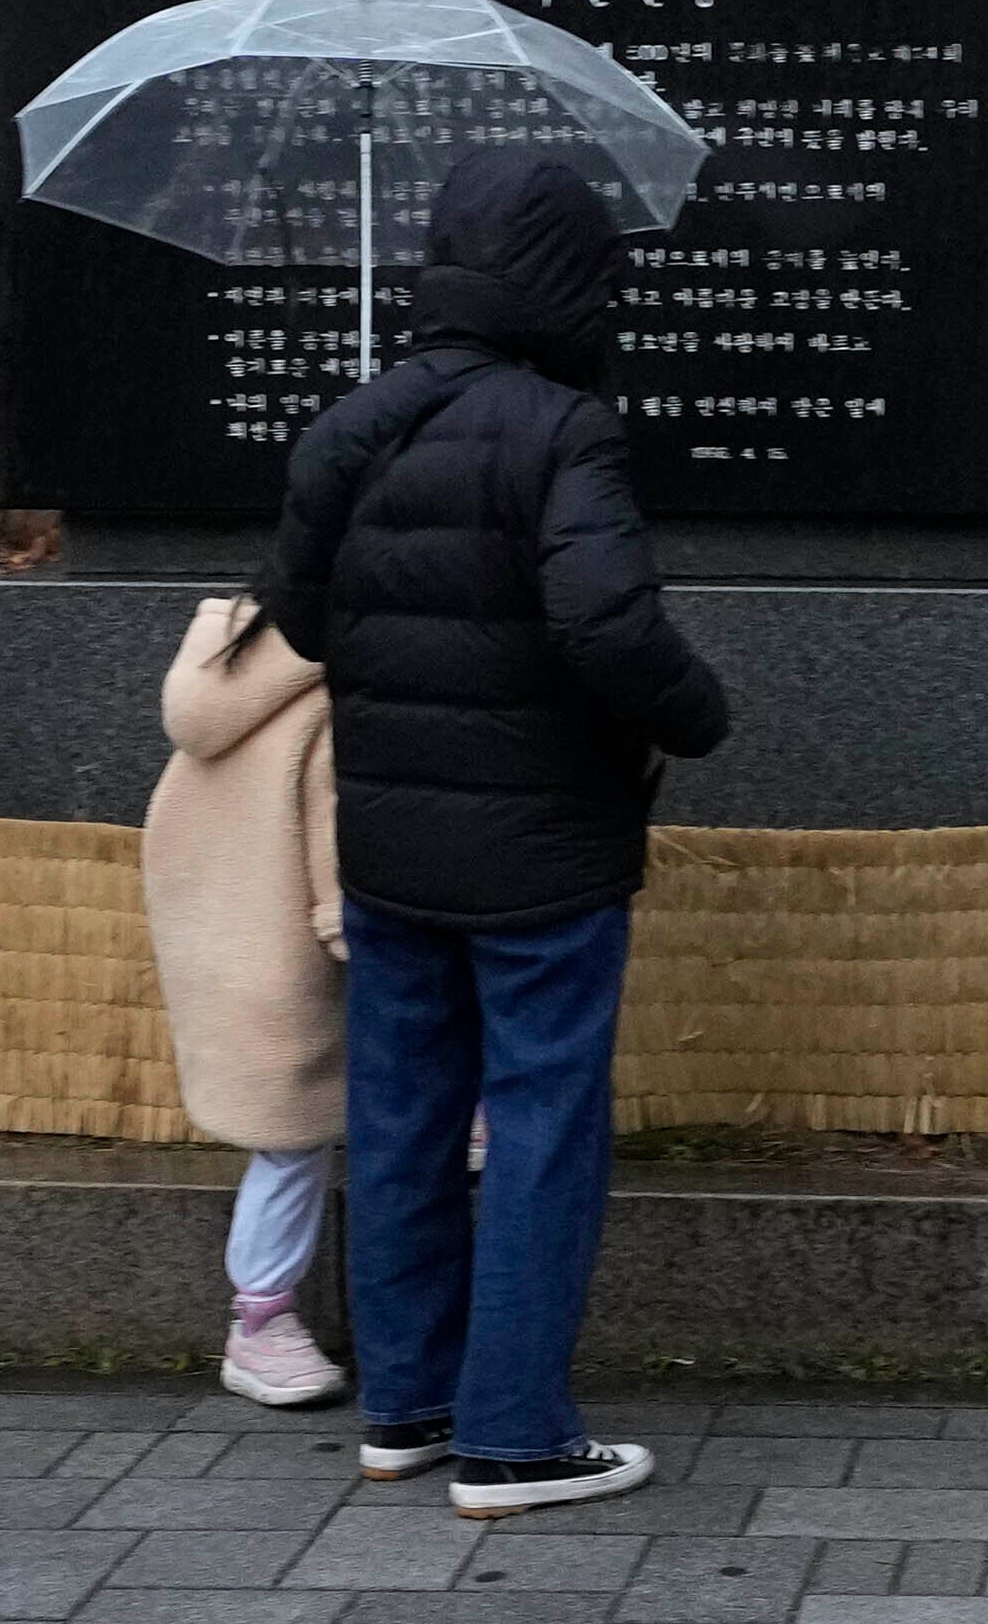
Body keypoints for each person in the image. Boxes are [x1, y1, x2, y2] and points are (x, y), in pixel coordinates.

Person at [266, 152, 732, 1517]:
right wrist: (695, 711)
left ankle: (405, 1405)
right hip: (542, 849)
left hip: (392, 837)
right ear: (565, 283)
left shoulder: (352, 424)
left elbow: (297, 619)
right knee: (536, 1123)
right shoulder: (560, 428)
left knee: (401, 1113)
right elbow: (604, 625)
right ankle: (515, 1433)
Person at [145, 592, 349, 1407]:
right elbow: (338, 827)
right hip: (302, 944)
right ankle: (260, 1324)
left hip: (231, 938)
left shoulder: (226, 665)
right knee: (296, 1141)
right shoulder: (333, 702)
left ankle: (262, 1323)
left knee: (286, 1140)